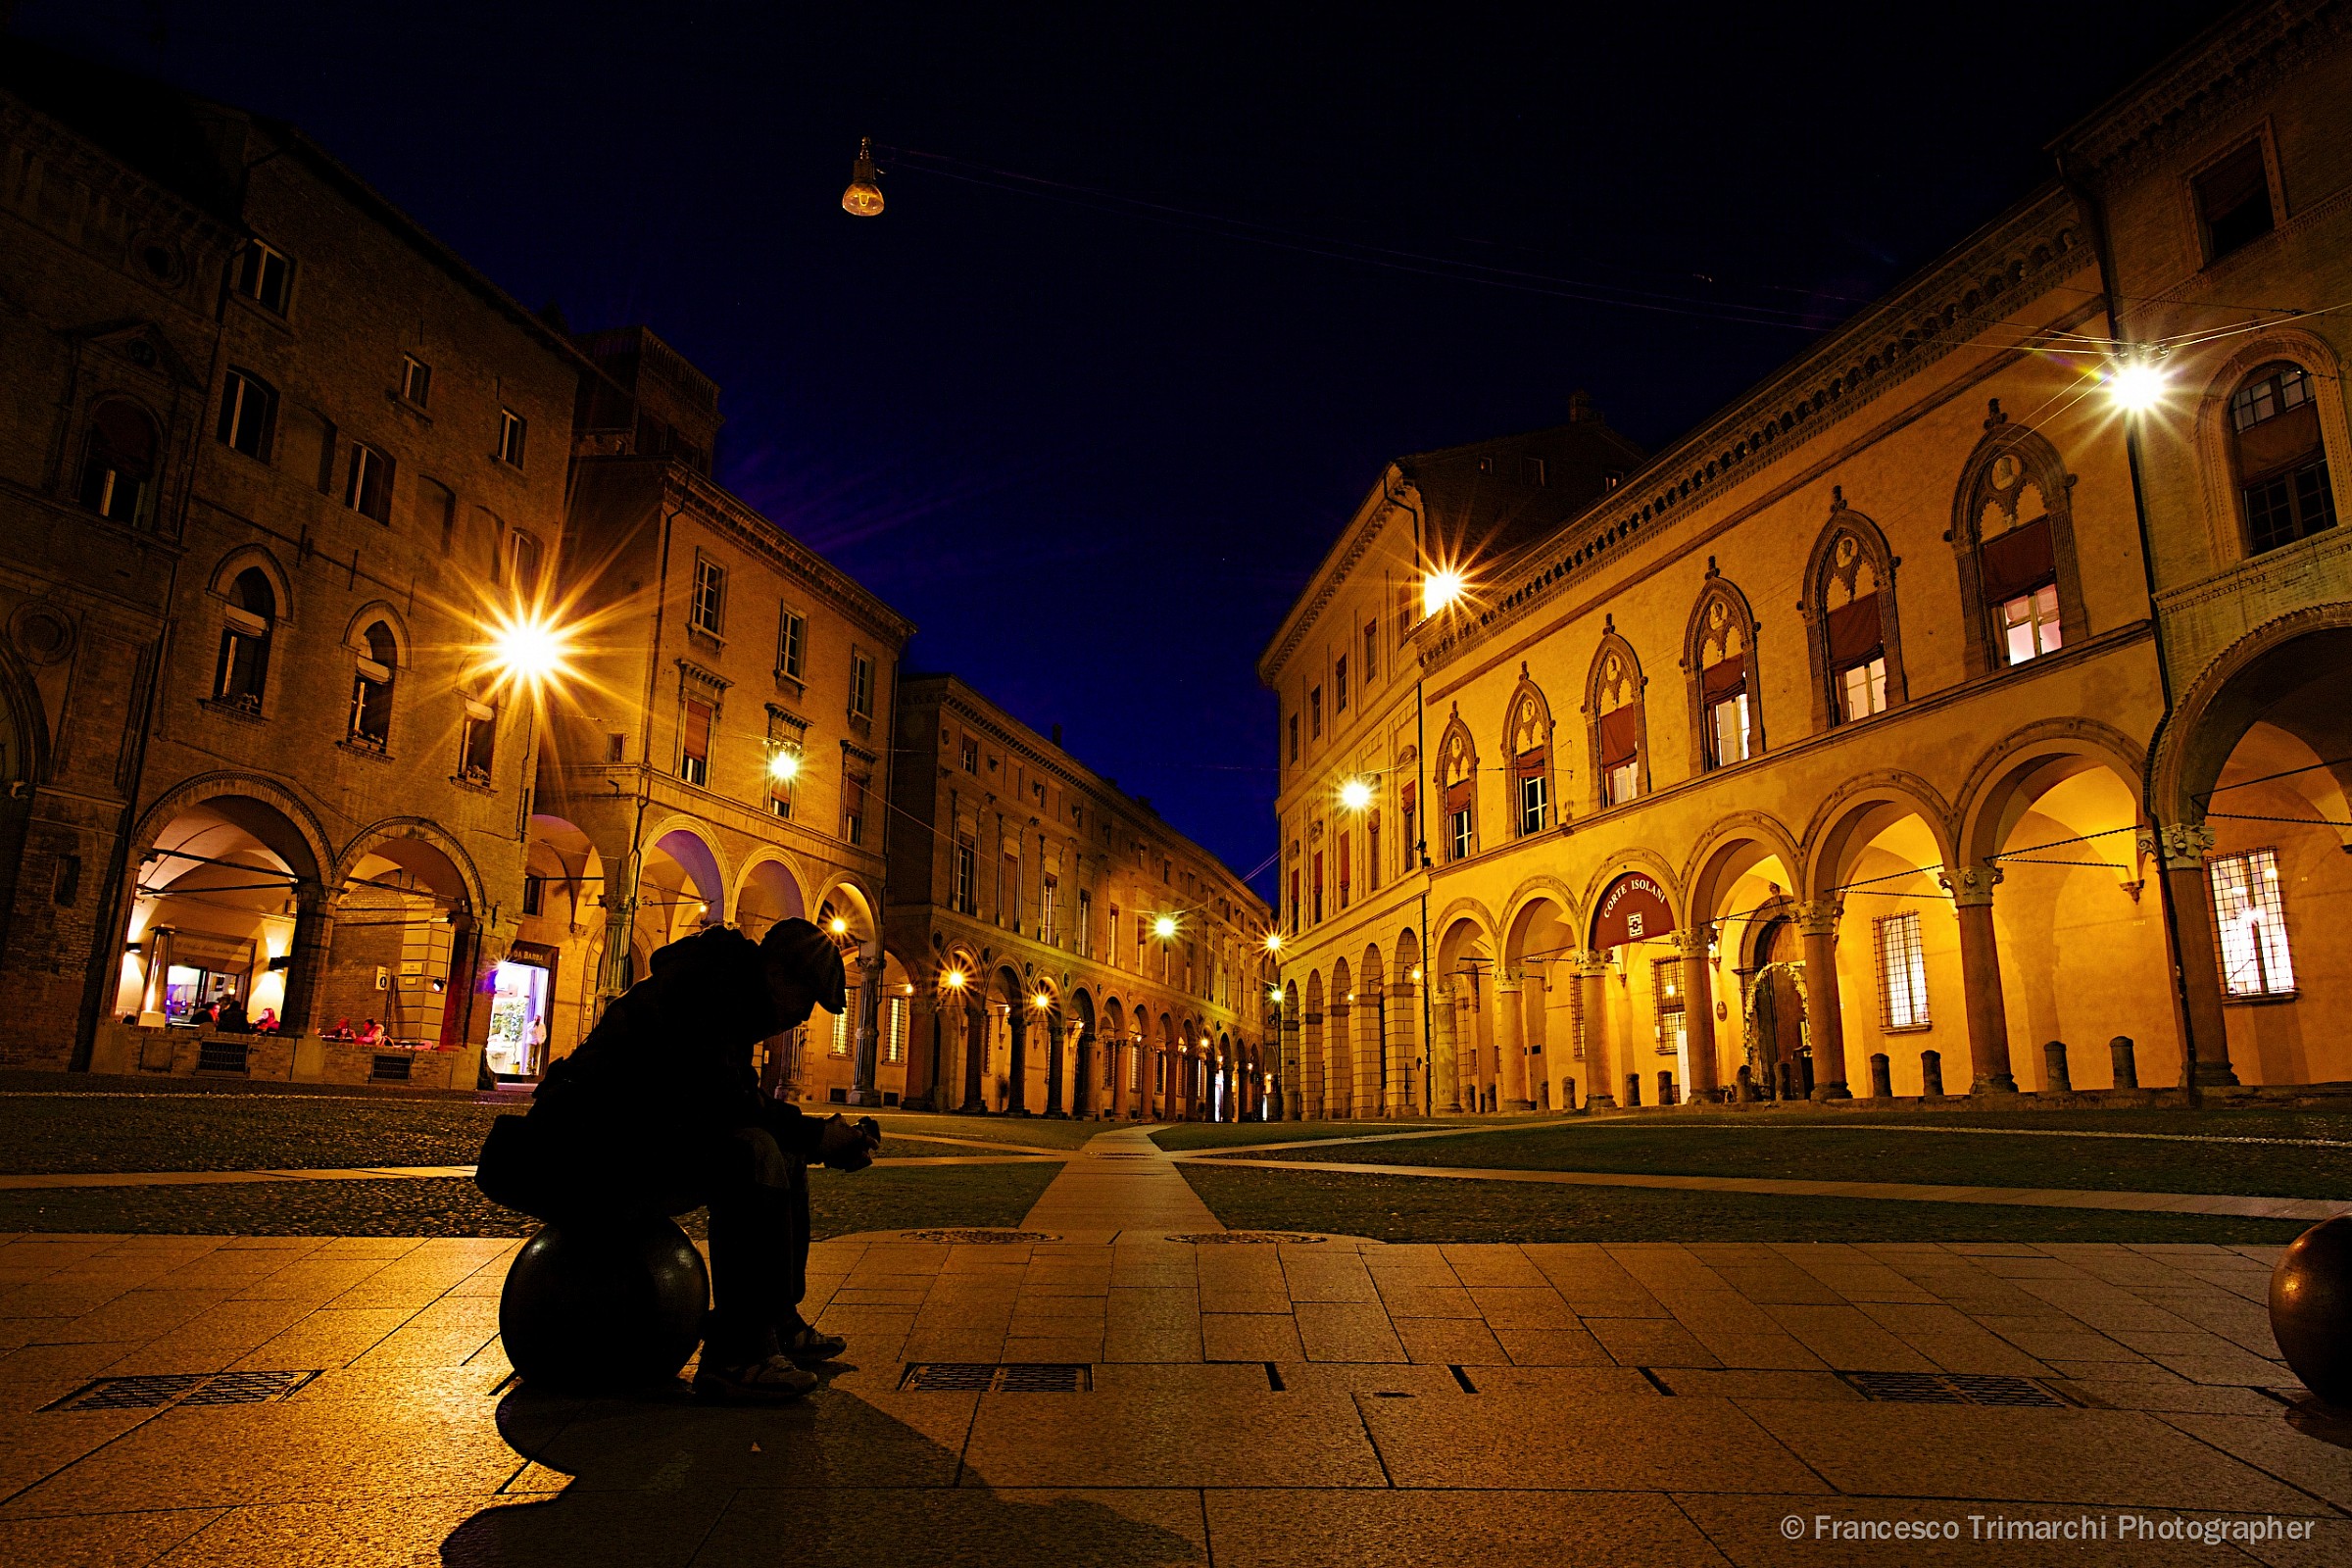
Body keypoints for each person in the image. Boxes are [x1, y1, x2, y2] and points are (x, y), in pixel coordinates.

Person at [474, 918, 879, 1403]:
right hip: (580, 1155)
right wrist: (818, 1135)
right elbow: (724, 1102)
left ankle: (777, 1322)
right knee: (754, 1151)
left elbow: (724, 1098)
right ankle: (737, 1354)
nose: (802, 1017)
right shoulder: (706, 993)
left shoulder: (726, 991)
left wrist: (812, 1139)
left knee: (778, 1151)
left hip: (625, 1141)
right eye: (806, 1000)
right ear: (777, 976)